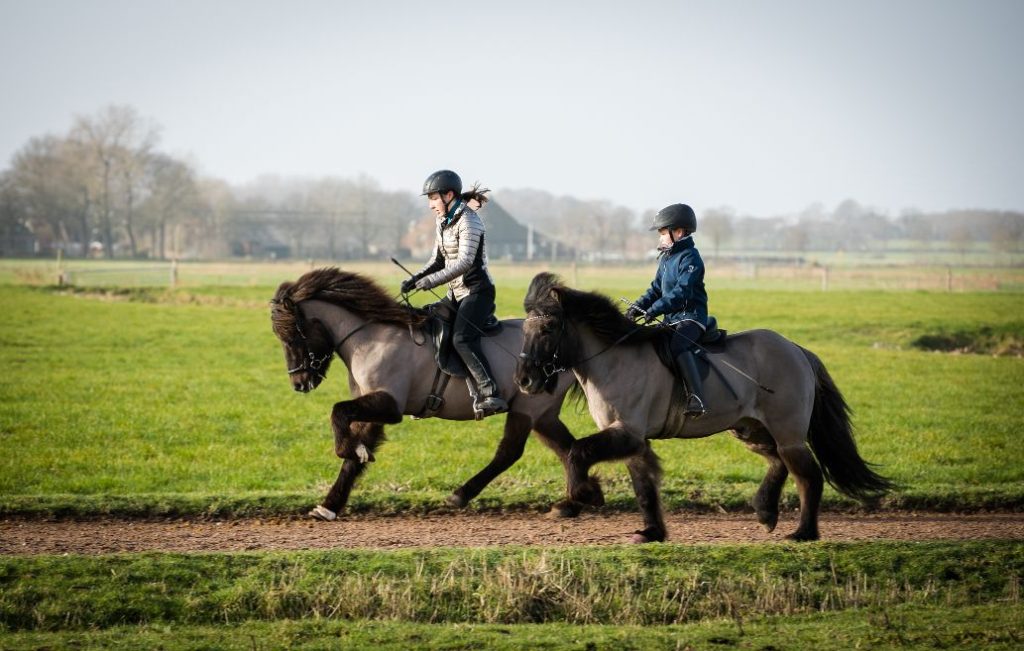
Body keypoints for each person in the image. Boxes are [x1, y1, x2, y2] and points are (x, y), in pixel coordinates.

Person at [400, 170, 508, 417]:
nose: (430, 205)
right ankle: (430, 394)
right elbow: (437, 260)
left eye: (433, 198)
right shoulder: (443, 222)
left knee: (461, 339)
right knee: (429, 323)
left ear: (449, 195)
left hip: (477, 293)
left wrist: (430, 282)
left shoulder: (470, 221)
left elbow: (464, 263)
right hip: (456, 293)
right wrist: (415, 278)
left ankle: (490, 392)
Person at [625, 203, 709, 417]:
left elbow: (681, 292)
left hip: (691, 318)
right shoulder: (666, 258)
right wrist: (637, 308)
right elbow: (655, 289)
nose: (660, 238)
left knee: (678, 346)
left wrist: (654, 310)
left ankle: (696, 398)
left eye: (663, 233)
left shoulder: (691, 258)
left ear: (678, 232)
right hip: (671, 319)